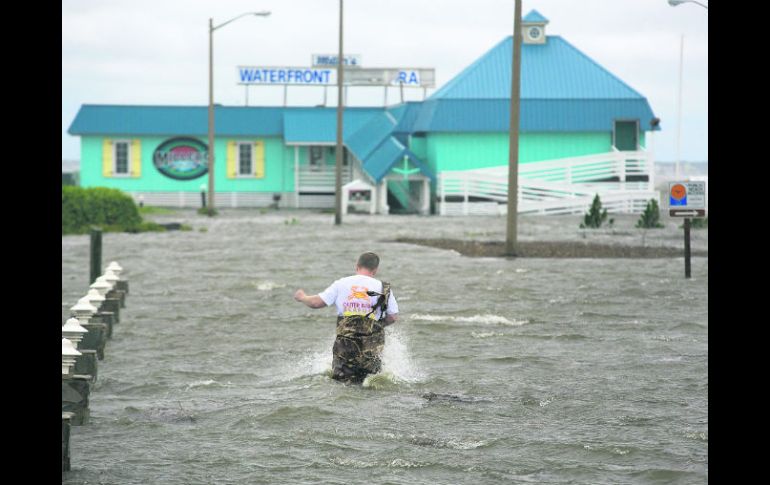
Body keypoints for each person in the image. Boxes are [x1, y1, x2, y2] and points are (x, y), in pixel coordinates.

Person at [294, 252, 399, 384]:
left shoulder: (341, 283)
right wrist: (376, 325)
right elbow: (393, 317)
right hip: (372, 346)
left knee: (343, 383)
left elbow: (316, 303)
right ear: (375, 270)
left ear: (357, 266)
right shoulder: (384, 288)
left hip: (345, 346)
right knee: (371, 382)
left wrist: (302, 297)